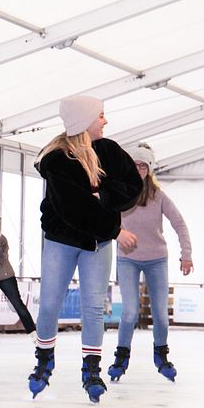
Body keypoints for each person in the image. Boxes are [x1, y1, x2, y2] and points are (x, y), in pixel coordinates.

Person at [28, 96, 142, 403]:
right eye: (101, 115)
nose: (105, 121)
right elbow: (73, 209)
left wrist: (100, 194)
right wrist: (115, 228)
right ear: (84, 120)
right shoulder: (57, 159)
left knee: (93, 308)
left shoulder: (109, 151)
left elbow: (132, 188)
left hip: (97, 243)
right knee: (50, 304)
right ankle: (44, 359)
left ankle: (92, 370)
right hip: (61, 241)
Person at [107, 143, 194, 383]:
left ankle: (161, 356)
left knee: (161, 314)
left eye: (143, 165)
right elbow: (104, 219)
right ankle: (121, 357)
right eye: (135, 164)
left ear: (150, 169)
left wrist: (186, 254)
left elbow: (180, 224)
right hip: (127, 259)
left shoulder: (158, 196)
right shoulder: (119, 192)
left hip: (156, 259)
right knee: (130, 312)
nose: (139, 168)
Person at [0, 214, 36, 344]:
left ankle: (32, 331)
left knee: (17, 304)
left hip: (5, 276)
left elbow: (1, 259)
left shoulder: (2, 240)